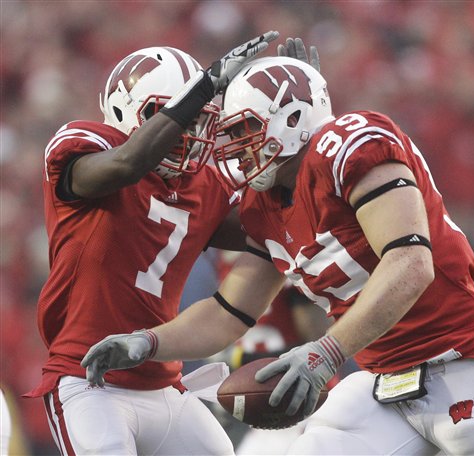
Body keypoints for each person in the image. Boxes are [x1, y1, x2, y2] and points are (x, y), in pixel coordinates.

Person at [81, 48, 474, 455]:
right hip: (380, 382)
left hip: (465, 362)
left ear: (291, 118)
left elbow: (412, 264)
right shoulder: (262, 206)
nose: (235, 148)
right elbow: (228, 310)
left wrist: (324, 353)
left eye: (244, 129)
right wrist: (149, 341)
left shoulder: (349, 147)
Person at [23, 31, 281, 456]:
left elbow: (275, 225)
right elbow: (128, 164)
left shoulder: (206, 185)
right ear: (126, 113)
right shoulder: (88, 150)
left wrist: (304, 137)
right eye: (172, 115)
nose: (188, 131)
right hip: (88, 382)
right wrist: (203, 88)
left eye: (198, 118)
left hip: (164, 385)